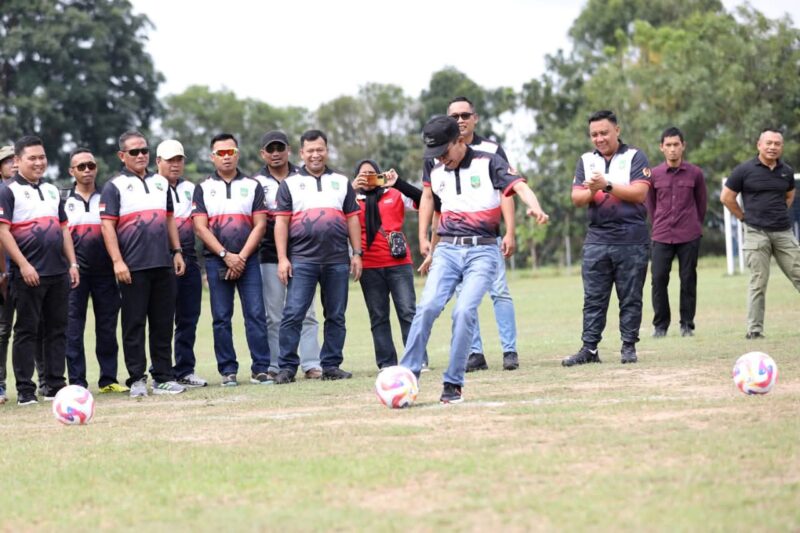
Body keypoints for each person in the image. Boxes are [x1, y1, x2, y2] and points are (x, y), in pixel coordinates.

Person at [400, 116, 548, 404]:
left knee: (464, 311)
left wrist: (535, 208)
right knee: (427, 307)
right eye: (435, 154)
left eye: (444, 151)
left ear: (460, 141)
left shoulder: (488, 161)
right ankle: (407, 377)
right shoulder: (435, 165)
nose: (440, 159)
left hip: (483, 250)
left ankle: (453, 384)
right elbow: (429, 198)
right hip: (447, 250)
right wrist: (425, 238)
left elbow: (518, 186)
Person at [423, 97, 521, 372]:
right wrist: (431, 239)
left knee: (500, 291)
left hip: (487, 239)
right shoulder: (437, 155)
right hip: (453, 241)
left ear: (475, 118)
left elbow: (508, 190)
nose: (460, 120)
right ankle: (475, 352)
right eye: (454, 115)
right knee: (465, 298)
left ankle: (509, 350)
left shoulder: (491, 150)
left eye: (465, 114)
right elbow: (432, 199)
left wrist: (510, 231)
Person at [100, 130, 187, 397]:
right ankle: (137, 379)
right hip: (132, 267)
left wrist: (177, 251)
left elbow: (170, 218)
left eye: (144, 151)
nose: (141, 156)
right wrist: (117, 262)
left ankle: (162, 377)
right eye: (134, 152)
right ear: (122, 155)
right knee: (134, 324)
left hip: (162, 263)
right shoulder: (113, 186)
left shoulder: (161, 183)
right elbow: (107, 226)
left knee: (162, 323)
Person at [562, 110, 652, 368]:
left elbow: (639, 194)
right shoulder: (585, 160)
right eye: (594, 135)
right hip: (597, 240)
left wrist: (607, 185)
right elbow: (577, 199)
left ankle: (628, 347)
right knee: (593, 298)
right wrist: (592, 188)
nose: (599, 138)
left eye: (604, 133)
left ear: (617, 131)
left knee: (631, 296)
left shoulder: (636, 156)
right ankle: (589, 349)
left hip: (632, 239)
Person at [273, 130, 362, 384]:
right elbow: (281, 223)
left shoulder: (341, 181)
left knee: (336, 315)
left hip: (337, 260)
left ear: (327, 151)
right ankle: (287, 368)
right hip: (302, 260)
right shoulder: (289, 184)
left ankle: (331, 365)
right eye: (310, 150)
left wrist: (356, 253)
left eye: (319, 149)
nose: (315, 154)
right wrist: (282, 258)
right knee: (293, 313)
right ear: (301, 153)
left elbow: (352, 219)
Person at [0, 136, 80, 405]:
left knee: (57, 330)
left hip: (58, 273)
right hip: (27, 275)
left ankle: (55, 385)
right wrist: (23, 265)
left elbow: (64, 228)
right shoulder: (7, 190)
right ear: (18, 161)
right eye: (32, 158)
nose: (38, 162)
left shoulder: (53, 190)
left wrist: (72, 263)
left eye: (42, 157)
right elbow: (3, 232)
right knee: (26, 331)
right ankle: (25, 390)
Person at [192, 133, 271, 386]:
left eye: (231, 152)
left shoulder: (252, 185)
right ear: (212, 157)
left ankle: (260, 368)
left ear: (237, 153)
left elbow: (260, 225)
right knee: (221, 318)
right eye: (221, 153)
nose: (226, 157)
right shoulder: (203, 187)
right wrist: (227, 256)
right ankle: (228, 371)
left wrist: (241, 258)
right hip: (217, 261)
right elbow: (200, 228)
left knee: (256, 314)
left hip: (249, 260)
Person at [252, 131, 323, 380]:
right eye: (270, 149)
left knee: (308, 313)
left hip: (304, 254)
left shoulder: (302, 176)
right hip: (270, 255)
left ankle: (311, 363)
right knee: (274, 316)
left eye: (279, 148)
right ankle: (276, 364)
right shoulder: (255, 182)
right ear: (263, 153)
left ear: (289, 150)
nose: (275, 153)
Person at [720, 128, 799, 339]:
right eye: (769, 143)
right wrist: (743, 217)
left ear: (782, 147)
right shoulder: (744, 170)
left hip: (784, 233)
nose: (773, 147)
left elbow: (789, 196)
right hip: (756, 233)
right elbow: (727, 197)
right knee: (759, 282)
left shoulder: (787, 171)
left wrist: (778, 212)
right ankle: (754, 331)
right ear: (759, 145)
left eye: (777, 144)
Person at [64, 148, 126, 392]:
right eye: (81, 167)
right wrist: (70, 265)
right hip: (75, 274)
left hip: (106, 273)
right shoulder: (63, 201)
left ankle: (108, 380)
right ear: (72, 171)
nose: (87, 170)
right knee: (73, 329)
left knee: (107, 328)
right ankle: (77, 382)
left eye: (91, 165)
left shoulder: (107, 197)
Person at [352, 160, 424, 369]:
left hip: (398, 263)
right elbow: (336, 212)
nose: (368, 178)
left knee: (408, 311)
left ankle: (416, 358)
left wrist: (398, 182)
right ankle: (386, 363)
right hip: (369, 265)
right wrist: (351, 188)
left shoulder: (394, 194)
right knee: (378, 315)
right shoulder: (351, 199)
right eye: (363, 174)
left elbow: (423, 200)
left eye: (372, 173)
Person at [646, 127, 707, 338]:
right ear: (661, 147)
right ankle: (660, 326)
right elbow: (650, 206)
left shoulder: (695, 173)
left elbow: (701, 204)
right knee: (658, 279)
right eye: (668, 145)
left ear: (683, 146)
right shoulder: (653, 175)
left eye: (676, 145)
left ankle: (687, 325)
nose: (672, 149)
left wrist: (694, 226)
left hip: (689, 235)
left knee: (688, 279)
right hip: (661, 235)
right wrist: (658, 225)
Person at [157, 139, 207, 388]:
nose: (175, 165)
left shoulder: (191, 188)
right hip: (159, 259)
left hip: (188, 257)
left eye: (179, 160)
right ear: (158, 162)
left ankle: (185, 369)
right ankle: (161, 371)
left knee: (189, 316)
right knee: (162, 318)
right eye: (170, 160)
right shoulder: (152, 186)